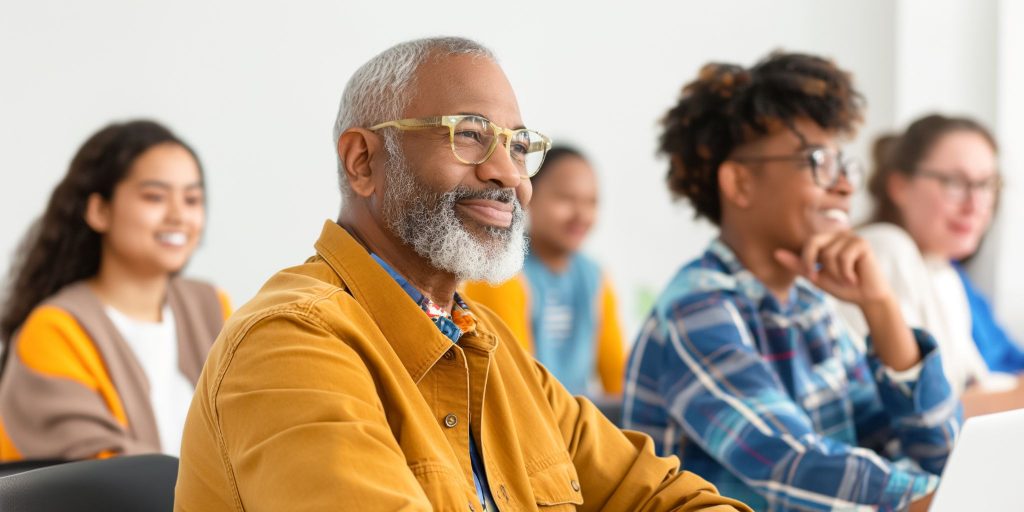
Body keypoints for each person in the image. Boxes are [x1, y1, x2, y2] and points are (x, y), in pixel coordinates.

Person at [174, 37, 750, 512]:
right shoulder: (289, 343)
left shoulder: (492, 350)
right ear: (363, 161)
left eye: (519, 147)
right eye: (469, 135)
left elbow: (674, 498)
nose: (508, 176)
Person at [622, 52, 961, 511]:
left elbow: (937, 452)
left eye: (845, 164)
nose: (844, 186)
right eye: (818, 161)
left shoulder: (808, 305)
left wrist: (880, 306)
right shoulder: (695, 310)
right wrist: (955, 497)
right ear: (740, 183)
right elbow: (795, 465)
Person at [0, 120, 230, 461]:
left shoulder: (212, 306)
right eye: (155, 197)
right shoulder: (54, 329)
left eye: (192, 199)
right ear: (100, 211)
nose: (179, 215)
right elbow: (110, 480)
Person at [839, 114, 1024, 417]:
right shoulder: (883, 250)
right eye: (953, 182)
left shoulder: (943, 271)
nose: (975, 204)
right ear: (899, 186)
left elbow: (974, 386)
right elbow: (918, 415)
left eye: (986, 185)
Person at [463, 146, 626, 398]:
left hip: (577, 424)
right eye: (566, 199)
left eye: (591, 202)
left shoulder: (595, 276)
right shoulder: (500, 274)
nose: (581, 215)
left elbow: (618, 382)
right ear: (529, 196)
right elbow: (514, 384)